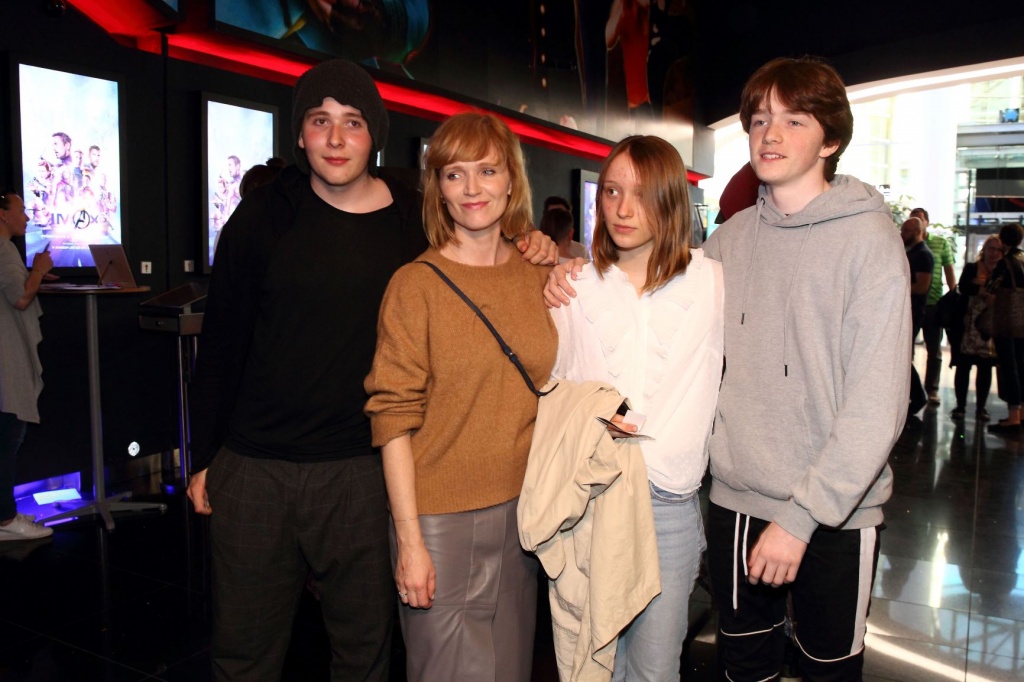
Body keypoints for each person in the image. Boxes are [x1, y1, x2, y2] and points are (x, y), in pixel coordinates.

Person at [186, 60, 555, 682]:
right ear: (299, 134)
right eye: (319, 121)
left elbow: (478, 239)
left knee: (365, 656)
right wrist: (203, 457)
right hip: (256, 468)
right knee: (243, 655)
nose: (335, 138)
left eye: (353, 122)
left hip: (360, 472)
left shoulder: (414, 219)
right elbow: (222, 342)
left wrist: (530, 241)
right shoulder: (260, 218)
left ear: (375, 135)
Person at [544, 56, 910, 680]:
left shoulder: (869, 242)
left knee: (828, 669)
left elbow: (877, 406)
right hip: (737, 501)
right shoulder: (728, 245)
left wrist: (801, 518)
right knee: (743, 666)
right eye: (760, 119)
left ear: (831, 140)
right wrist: (561, 266)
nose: (770, 134)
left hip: (835, 514)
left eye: (794, 120)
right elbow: (648, 290)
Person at [364, 112, 557, 682]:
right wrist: (410, 541)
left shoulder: (536, 274)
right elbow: (392, 419)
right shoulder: (414, 286)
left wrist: (553, 253)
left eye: (487, 171)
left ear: (511, 180)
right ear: (438, 189)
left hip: (525, 514)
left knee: (511, 669)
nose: (472, 188)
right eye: (454, 174)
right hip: (440, 520)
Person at [546, 135, 723, 680]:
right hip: (594, 499)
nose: (623, 209)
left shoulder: (712, 281)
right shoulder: (574, 287)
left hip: (668, 501)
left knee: (655, 669)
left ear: (669, 199)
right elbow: (556, 390)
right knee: (592, 666)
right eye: (612, 191)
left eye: (642, 194)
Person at [0, 191, 54, 542]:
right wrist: (38, 270)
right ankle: (5, 520)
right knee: (8, 435)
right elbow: (20, 297)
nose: (27, 217)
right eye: (21, 210)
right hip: (6, 357)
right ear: (2, 214)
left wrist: (34, 275)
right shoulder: (4, 249)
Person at [950, 235, 1000, 421]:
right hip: (968, 324)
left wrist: (979, 284)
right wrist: (983, 289)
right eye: (991, 248)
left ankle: (981, 407)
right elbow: (964, 286)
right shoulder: (972, 267)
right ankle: (960, 406)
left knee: (985, 367)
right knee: (963, 365)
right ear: (984, 250)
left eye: (998, 250)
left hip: (990, 325)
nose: (994, 253)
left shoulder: (1002, 271)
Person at [912, 207, 957, 404]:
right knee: (907, 349)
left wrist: (952, 297)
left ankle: (932, 389)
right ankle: (910, 389)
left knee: (934, 349)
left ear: (927, 223)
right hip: (912, 305)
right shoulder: (907, 244)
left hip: (934, 303)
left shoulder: (940, 243)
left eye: (920, 219)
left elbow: (949, 271)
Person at [986, 223, 1024, 433]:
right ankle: (1021, 412)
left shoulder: (1005, 263)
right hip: (1022, 322)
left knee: (1009, 367)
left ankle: (1013, 416)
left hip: (1008, 321)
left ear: (1002, 239)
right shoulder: (1022, 258)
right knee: (1021, 365)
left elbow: (990, 289)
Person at [903, 216, 934, 416]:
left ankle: (918, 395)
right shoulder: (913, 253)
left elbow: (922, 287)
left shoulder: (923, 255)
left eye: (906, 231)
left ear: (917, 232)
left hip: (914, 311)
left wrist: (899, 288)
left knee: (903, 356)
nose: (902, 234)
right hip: (909, 311)